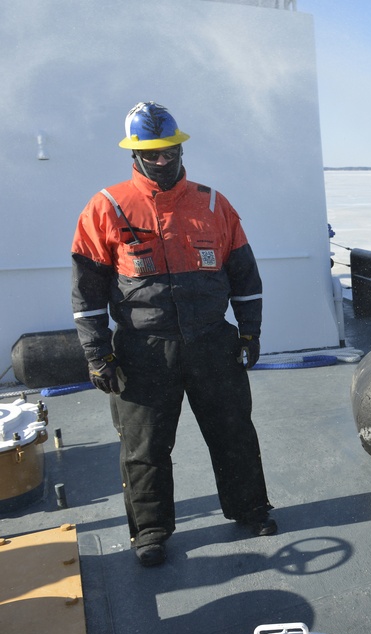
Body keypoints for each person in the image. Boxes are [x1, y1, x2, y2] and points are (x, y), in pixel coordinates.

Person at [71, 101, 276, 567]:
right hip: (143, 352)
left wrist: (249, 332)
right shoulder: (106, 207)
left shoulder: (212, 204)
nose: (163, 161)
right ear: (135, 156)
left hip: (211, 344)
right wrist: (97, 353)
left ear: (181, 148)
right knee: (143, 449)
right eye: (153, 154)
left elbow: (244, 276)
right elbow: (86, 293)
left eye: (170, 151)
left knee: (233, 434)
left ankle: (250, 509)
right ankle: (151, 531)